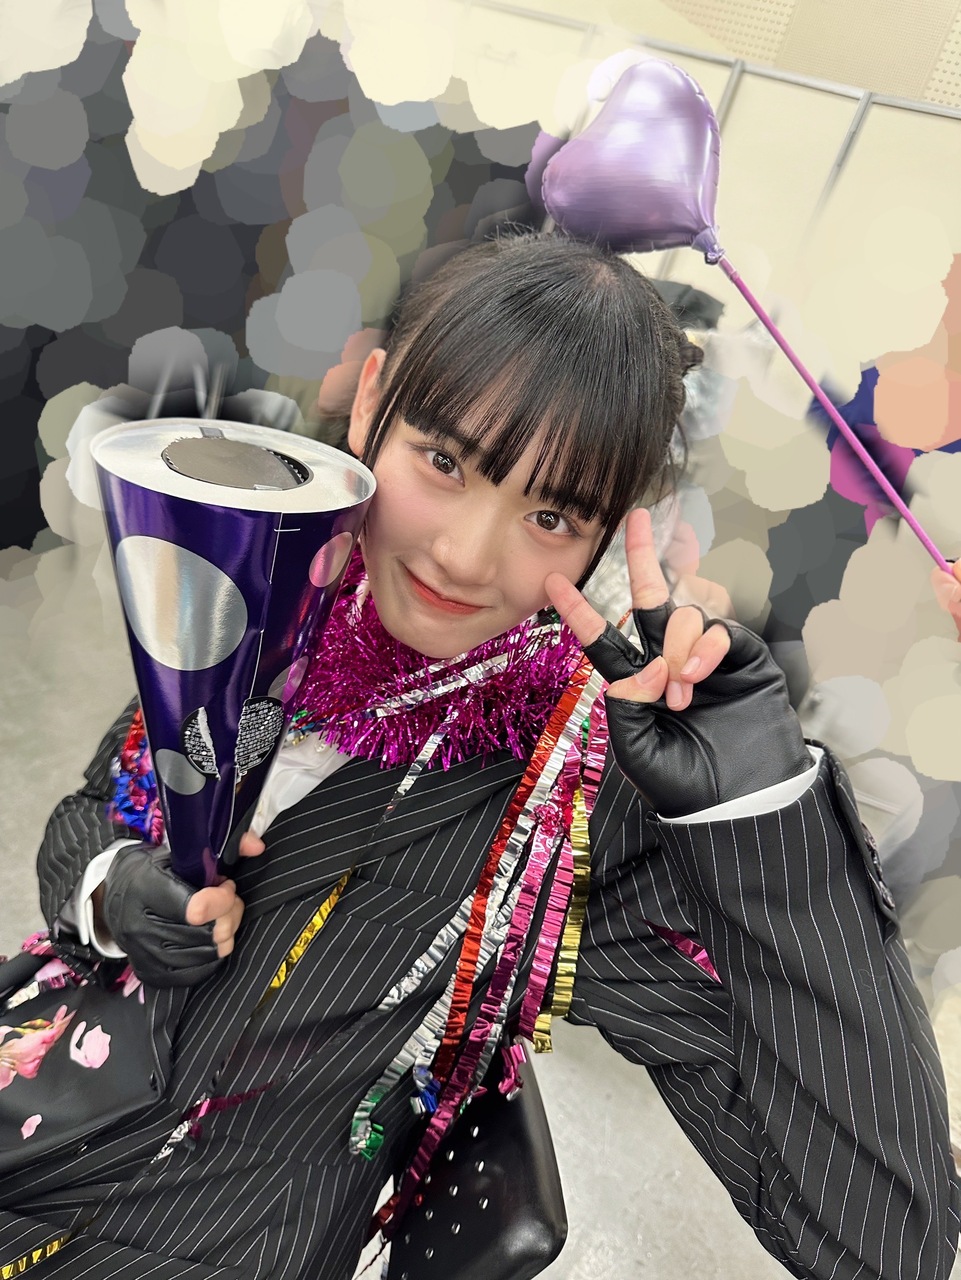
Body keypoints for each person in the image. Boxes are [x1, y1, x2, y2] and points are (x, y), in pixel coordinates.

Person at [4, 232, 959, 1280]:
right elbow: (93, 808)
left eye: (550, 514)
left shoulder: (569, 805)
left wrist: (763, 822)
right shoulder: (268, 589)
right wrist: (111, 890)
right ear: (373, 401)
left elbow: (885, 1238)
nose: (464, 555)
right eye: (445, 462)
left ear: (607, 533)